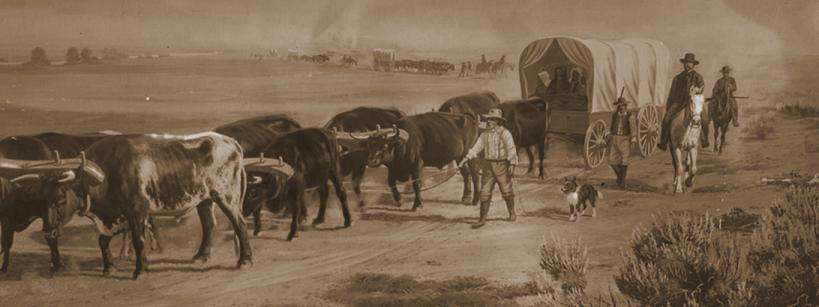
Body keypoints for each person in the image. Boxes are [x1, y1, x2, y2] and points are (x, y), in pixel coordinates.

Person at [460, 108, 518, 228]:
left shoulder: (505, 133)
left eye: (491, 120)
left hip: (502, 165)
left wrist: (512, 164)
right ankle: (482, 219)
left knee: (506, 190)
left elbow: (511, 149)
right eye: (488, 119)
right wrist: (466, 158)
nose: (489, 121)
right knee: (485, 192)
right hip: (488, 166)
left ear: (497, 121)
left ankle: (512, 212)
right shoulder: (484, 135)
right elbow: (476, 148)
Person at [658, 53, 705, 150]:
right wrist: (669, 106)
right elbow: (672, 93)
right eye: (686, 62)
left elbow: (701, 87)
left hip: (693, 102)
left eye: (690, 63)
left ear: (693, 64)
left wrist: (696, 90)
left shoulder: (698, 77)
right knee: (666, 119)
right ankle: (663, 142)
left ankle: (704, 140)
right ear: (683, 64)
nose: (688, 64)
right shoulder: (677, 78)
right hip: (679, 102)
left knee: (705, 119)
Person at [606, 97, 637, 188]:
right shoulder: (614, 115)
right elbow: (610, 125)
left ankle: (622, 182)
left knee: (624, 160)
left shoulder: (630, 116)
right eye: (620, 106)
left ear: (626, 106)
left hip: (625, 139)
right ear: (618, 107)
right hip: (615, 138)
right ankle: (620, 176)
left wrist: (633, 139)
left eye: (623, 106)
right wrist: (608, 133)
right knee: (612, 161)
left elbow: (633, 128)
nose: (622, 107)